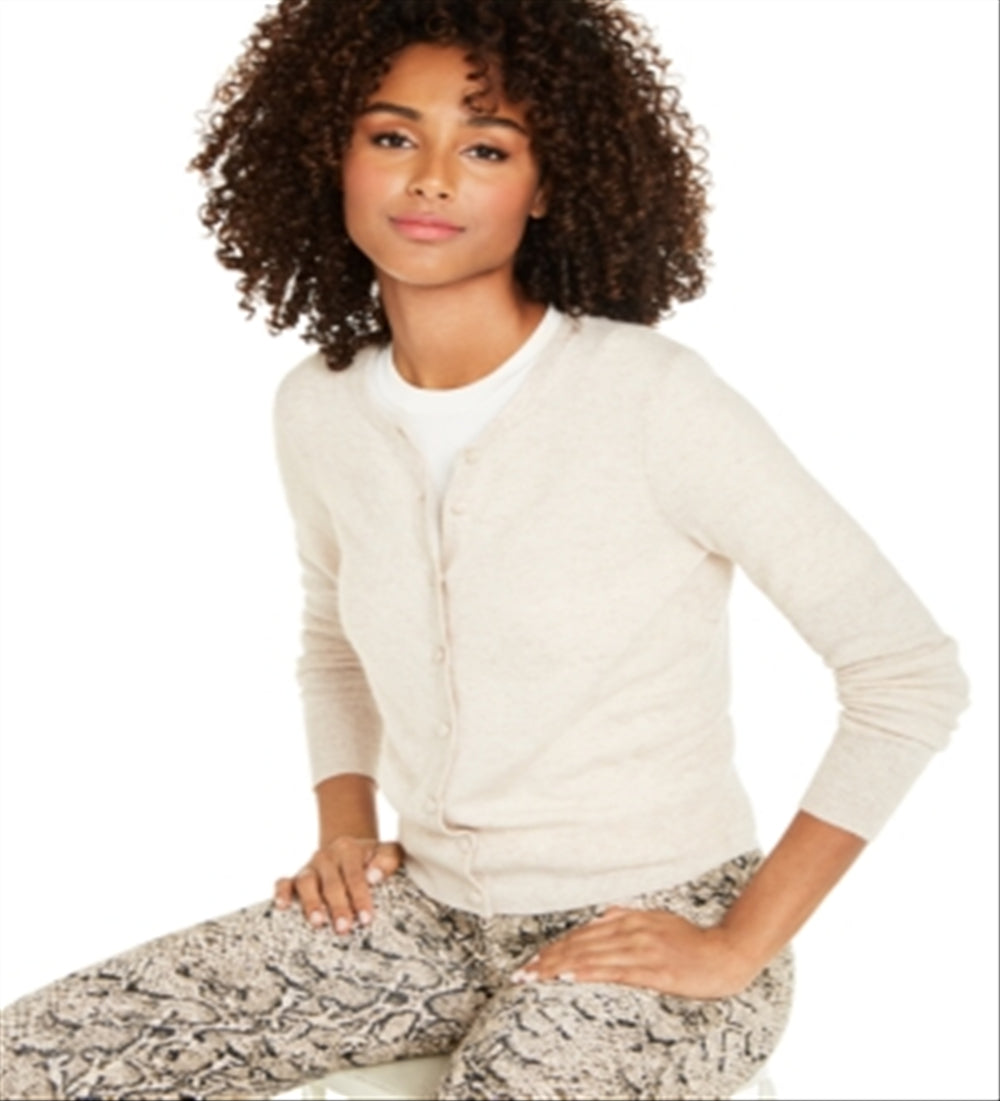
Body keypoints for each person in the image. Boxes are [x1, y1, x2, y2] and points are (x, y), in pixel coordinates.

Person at [0, 0, 969, 1098]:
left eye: (487, 149)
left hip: (656, 918)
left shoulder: (649, 398)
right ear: (333, 157)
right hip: (426, 915)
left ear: (546, 187)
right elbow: (334, 639)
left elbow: (906, 675)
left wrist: (737, 943)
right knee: (34, 1057)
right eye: (392, 136)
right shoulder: (319, 408)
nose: (430, 179)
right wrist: (344, 830)